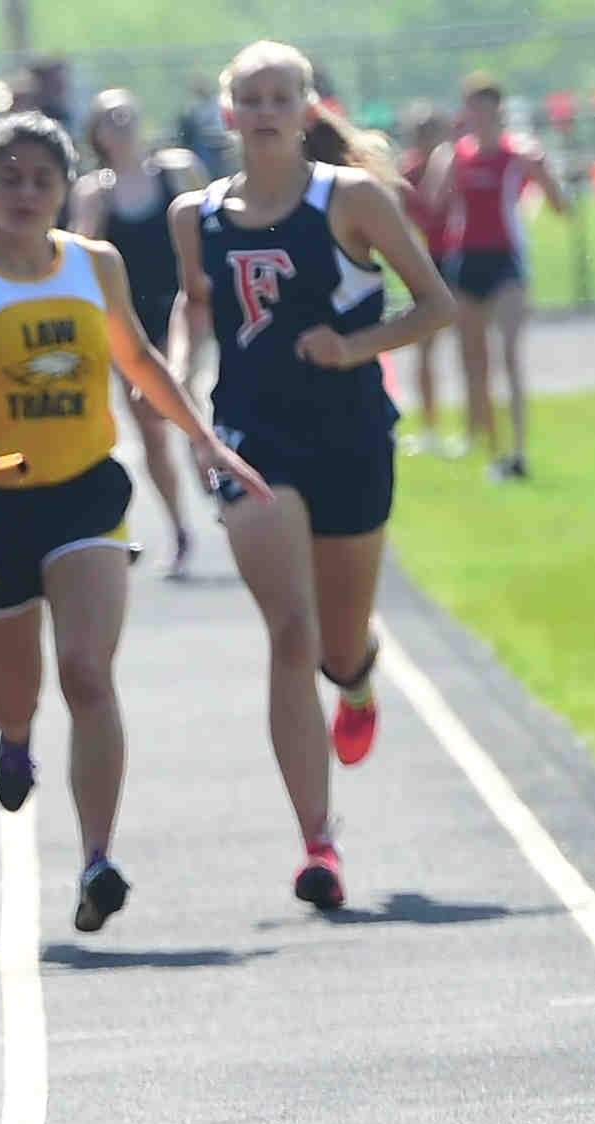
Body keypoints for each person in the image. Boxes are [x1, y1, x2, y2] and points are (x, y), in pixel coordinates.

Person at [0, 112, 267, 932]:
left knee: (86, 673)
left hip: (85, 495)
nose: (26, 194)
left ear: (65, 188)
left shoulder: (93, 265)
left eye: (42, 180)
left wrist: (202, 441)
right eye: (9, 179)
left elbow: (138, 360)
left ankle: (97, 859)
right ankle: (11, 737)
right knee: (15, 694)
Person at [169, 39, 454, 909]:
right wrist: (181, 382)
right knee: (288, 634)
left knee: (333, 643)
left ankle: (357, 674)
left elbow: (434, 305)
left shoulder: (351, 198)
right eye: (247, 97)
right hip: (251, 434)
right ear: (228, 113)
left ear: (304, 108)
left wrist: (352, 347)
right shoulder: (198, 214)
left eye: (277, 96)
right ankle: (318, 843)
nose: (261, 111)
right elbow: (197, 303)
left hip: (349, 432)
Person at [70, 89, 207, 575]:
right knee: (151, 426)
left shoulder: (178, 170)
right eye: (109, 117)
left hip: (183, 308)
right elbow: (81, 256)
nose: (122, 122)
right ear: (98, 134)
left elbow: (212, 228)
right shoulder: (94, 190)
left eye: (128, 112)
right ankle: (181, 530)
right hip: (126, 319)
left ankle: (217, 482)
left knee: (182, 391)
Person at [424, 72, 568, 480]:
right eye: (473, 106)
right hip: (466, 259)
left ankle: (518, 451)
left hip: (506, 260)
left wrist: (543, 172)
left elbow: (559, 204)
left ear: (498, 111)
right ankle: (486, 444)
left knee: (509, 355)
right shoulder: (457, 154)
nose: (480, 115)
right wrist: (444, 163)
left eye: (487, 107)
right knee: (473, 358)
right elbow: (434, 203)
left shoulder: (518, 152)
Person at [396, 102, 458, 455]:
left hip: (458, 256)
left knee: (470, 346)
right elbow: (418, 216)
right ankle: (430, 428)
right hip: (427, 262)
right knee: (427, 346)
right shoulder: (410, 171)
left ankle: (473, 427)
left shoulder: (454, 165)